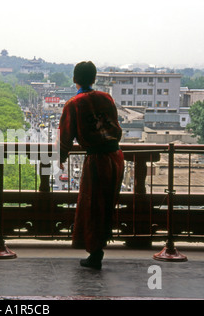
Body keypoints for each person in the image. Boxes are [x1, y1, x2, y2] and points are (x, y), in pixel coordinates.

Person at [57, 61, 124, 270]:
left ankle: (96, 253)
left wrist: (61, 156)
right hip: (116, 156)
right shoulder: (106, 98)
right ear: (94, 79)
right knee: (107, 205)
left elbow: (65, 136)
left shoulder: (74, 104)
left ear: (75, 79)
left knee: (93, 206)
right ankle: (98, 248)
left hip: (97, 160)